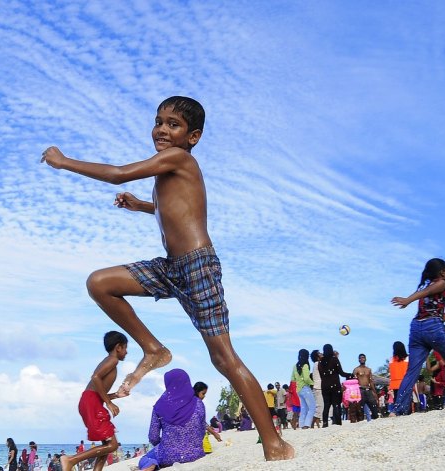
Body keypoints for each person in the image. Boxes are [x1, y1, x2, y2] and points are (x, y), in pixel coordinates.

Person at [41, 96, 293, 462]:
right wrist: (141, 205)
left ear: (193, 137)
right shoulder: (168, 169)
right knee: (100, 283)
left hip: (197, 267)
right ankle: (153, 349)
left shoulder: (179, 158)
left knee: (223, 357)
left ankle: (274, 444)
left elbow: (117, 172)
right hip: (169, 268)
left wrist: (63, 162)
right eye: (158, 121)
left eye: (172, 124)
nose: (161, 129)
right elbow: (174, 209)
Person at [390, 258, 445, 415]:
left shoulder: (427, 288)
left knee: (412, 372)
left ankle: (397, 410)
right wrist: (408, 300)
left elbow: (440, 316)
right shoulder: (443, 283)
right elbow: (430, 298)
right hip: (432, 329)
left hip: (417, 328)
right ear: (443, 272)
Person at [59, 331, 128, 471]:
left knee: (106, 445)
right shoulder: (113, 360)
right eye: (125, 348)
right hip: (92, 402)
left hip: (89, 400)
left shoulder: (109, 361)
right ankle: (71, 460)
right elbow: (95, 377)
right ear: (118, 347)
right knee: (113, 445)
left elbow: (97, 392)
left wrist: (115, 395)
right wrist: (109, 403)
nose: (126, 352)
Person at [138, 369, 219, 471]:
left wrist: (165, 445)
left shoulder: (159, 406)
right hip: (196, 453)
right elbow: (201, 431)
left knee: (146, 458)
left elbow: (153, 437)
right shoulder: (199, 404)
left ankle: (152, 464)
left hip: (168, 455)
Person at [318, 344, 350, 427]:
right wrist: (350, 375)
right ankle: (338, 422)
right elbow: (341, 373)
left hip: (324, 386)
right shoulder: (334, 359)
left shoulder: (320, 362)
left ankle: (325, 423)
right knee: (336, 405)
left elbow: (322, 375)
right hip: (335, 385)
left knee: (326, 405)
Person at [193, 380, 222, 453]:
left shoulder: (190, 402)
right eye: (203, 393)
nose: (204, 396)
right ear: (197, 392)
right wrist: (214, 433)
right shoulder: (198, 403)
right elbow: (202, 422)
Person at [291, 349, 314, 429]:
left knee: (303, 408)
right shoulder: (305, 365)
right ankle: (307, 424)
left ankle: (301, 424)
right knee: (312, 407)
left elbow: (293, 379)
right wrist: (313, 383)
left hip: (298, 389)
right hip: (305, 388)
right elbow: (307, 378)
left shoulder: (295, 366)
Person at [353, 353, 379, 421]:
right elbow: (354, 381)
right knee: (360, 409)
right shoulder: (356, 370)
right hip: (360, 390)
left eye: (363, 358)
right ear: (358, 360)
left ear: (365, 359)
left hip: (368, 390)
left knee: (374, 406)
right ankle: (360, 423)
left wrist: (374, 392)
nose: (362, 359)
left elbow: (371, 381)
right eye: (360, 358)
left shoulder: (368, 370)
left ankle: (375, 420)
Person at [310, 349, 323, 428]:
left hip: (319, 387)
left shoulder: (317, 364)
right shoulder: (317, 364)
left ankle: (314, 423)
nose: (321, 354)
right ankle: (311, 423)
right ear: (317, 357)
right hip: (318, 388)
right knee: (320, 407)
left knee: (320, 407)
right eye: (319, 353)